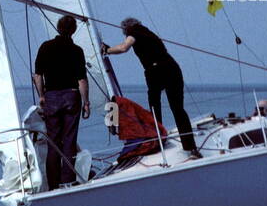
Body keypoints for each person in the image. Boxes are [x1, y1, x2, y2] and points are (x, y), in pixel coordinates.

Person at [102, 18, 201, 157]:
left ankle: (158, 140)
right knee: (178, 109)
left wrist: (107, 50)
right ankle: (191, 148)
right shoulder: (148, 33)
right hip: (172, 68)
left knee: (154, 108)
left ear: (126, 29)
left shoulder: (133, 33)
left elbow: (123, 47)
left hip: (156, 71)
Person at [33, 16, 90, 189]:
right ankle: (68, 180)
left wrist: (42, 95)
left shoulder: (45, 47)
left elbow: (37, 75)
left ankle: (53, 184)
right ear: (73, 30)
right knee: (69, 140)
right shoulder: (77, 50)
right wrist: (86, 102)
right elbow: (82, 80)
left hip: (52, 97)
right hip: (71, 96)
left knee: (53, 142)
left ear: (58, 28)